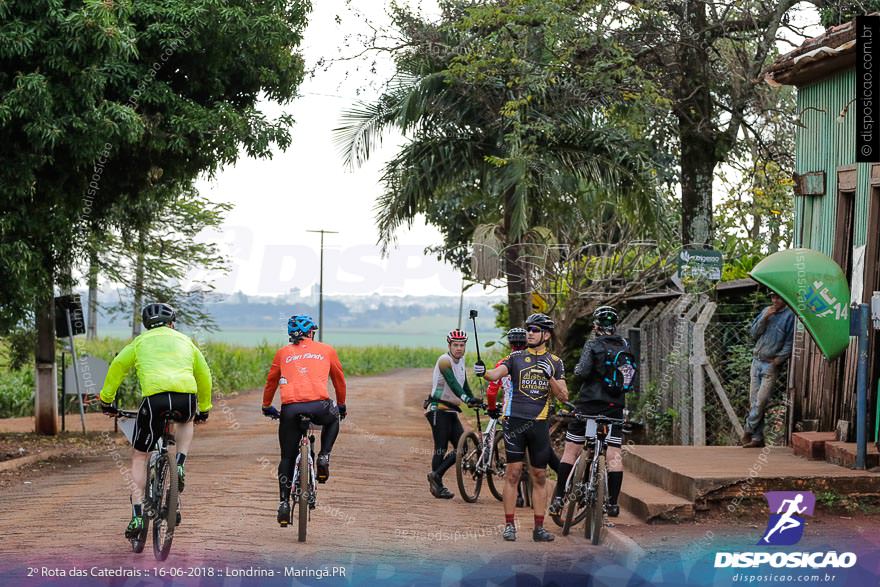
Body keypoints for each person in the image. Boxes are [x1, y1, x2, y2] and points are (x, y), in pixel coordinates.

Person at [98, 303, 212, 540]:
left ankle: (138, 515)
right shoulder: (185, 341)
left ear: (147, 325)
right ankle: (179, 463)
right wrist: (204, 408)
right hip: (185, 399)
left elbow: (118, 365)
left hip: (155, 401)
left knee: (140, 456)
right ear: (172, 323)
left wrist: (106, 400)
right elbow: (204, 374)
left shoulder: (140, 342)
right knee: (187, 421)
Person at [475, 313, 569, 542]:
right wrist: (484, 372)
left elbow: (564, 396)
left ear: (546, 335)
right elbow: (495, 374)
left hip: (539, 425)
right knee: (513, 473)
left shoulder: (555, 363)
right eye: (528, 329)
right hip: (514, 423)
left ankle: (539, 527)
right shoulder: (515, 358)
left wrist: (550, 378)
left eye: (535, 330)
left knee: (539, 475)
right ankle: (509, 525)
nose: (529, 333)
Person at [550, 305, 635, 518]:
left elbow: (582, 371)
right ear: (615, 325)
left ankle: (560, 496)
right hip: (614, 406)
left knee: (571, 451)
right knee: (614, 454)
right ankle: (613, 504)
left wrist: (579, 370)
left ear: (596, 325)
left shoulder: (593, 344)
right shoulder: (625, 344)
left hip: (589, 404)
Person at [262, 314, 347, 526]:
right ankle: (324, 457)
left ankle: (283, 503)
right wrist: (342, 404)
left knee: (287, 457)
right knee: (333, 418)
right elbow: (339, 380)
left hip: (290, 409)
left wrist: (266, 405)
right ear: (311, 333)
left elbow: (271, 382)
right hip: (320, 405)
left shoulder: (282, 353)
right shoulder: (326, 350)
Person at [487, 328, 561, 507]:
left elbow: (492, 389)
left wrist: (491, 408)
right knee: (545, 455)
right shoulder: (534, 361)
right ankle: (565, 477)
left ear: (510, 344)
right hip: (535, 415)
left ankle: (519, 496)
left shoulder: (505, 361)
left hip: (511, 415)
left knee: (514, 466)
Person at [425, 329, 482, 499]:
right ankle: (437, 484)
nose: (459, 348)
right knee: (440, 448)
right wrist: (465, 398)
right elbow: (453, 383)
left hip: (451, 412)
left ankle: (436, 475)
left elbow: (463, 385)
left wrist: (474, 399)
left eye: (462, 345)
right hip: (438, 409)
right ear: (449, 345)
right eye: (455, 345)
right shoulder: (444, 361)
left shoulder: (462, 361)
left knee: (462, 448)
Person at [741, 292, 795, 448]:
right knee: (754, 401)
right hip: (756, 360)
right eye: (773, 297)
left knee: (761, 400)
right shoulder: (766, 311)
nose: (775, 300)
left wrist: (778, 360)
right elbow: (753, 333)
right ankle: (757, 438)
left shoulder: (790, 316)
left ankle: (748, 429)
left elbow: (789, 341)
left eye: (779, 297)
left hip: (770, 364)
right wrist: (765, 318)